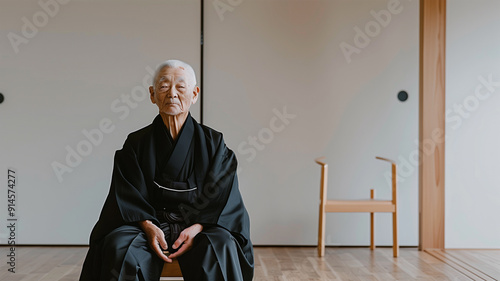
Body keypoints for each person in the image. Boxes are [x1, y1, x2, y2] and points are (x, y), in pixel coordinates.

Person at [79, 59, 254, 281]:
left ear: (194, 94)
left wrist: (197, 227)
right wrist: (148, 226)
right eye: (163, 86)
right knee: (119, 247)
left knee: (221, 245)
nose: (172, 93)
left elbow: (223, 197)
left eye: (181, 87)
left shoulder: (214, 143)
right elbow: (126, 197)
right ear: (152, 95)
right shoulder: (136, 143)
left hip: (200, 226)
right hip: (147, 226)